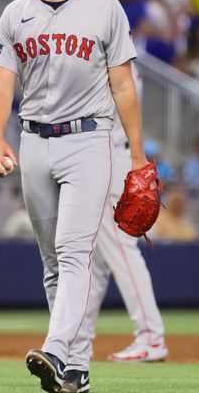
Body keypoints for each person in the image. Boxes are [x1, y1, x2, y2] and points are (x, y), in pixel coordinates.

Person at [0, 0, 146, 393]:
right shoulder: (16, 14)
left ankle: (55, 349)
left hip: (88, 141)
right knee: (52, 262)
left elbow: (122, 84)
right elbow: (0, 84)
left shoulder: (104, 8)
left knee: (74, 252)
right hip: (34, 142)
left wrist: (137, 155)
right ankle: (74, 370)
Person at [71, 64, 169, 368]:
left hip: (111, 153)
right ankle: (78, 340)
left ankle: (151, 336)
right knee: (98, 258)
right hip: (114, 150)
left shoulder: (108, 50)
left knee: (120, 247)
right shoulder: (122, 51)